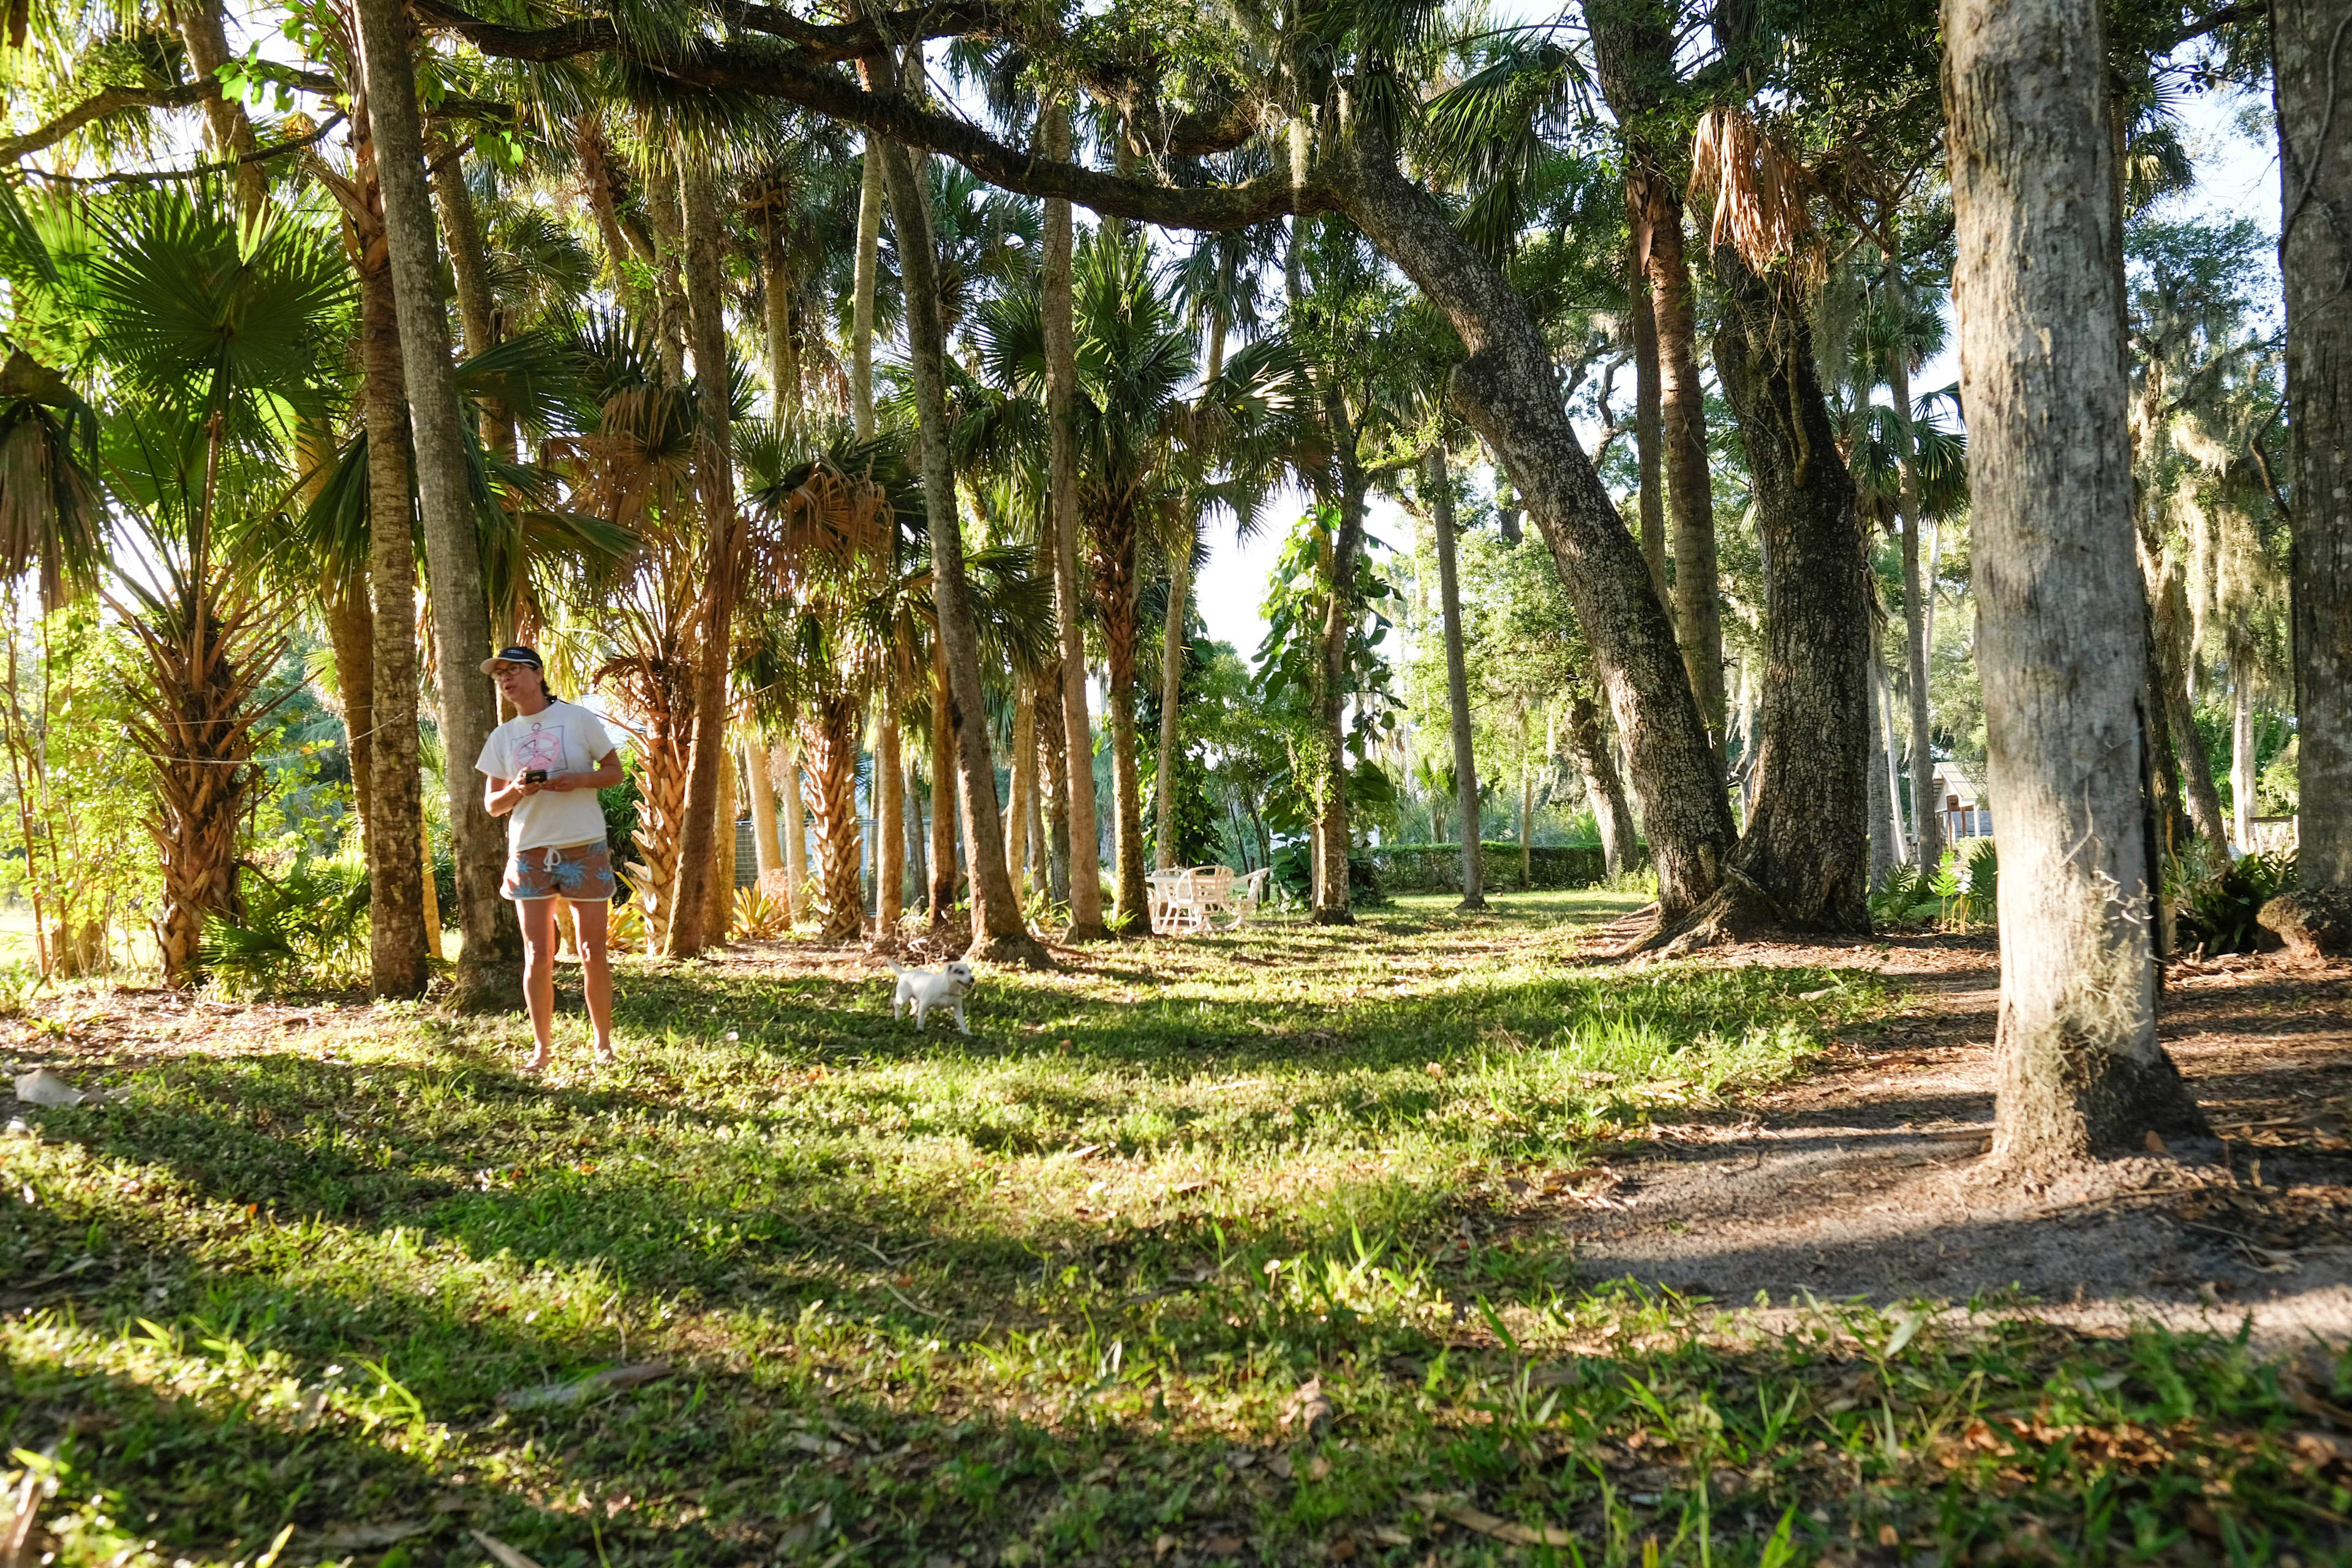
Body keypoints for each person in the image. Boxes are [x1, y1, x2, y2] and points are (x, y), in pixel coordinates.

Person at [477, 646, 625, 1072]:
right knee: (538, 954)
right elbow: (493, 806)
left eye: (514, 670)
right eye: (499, 674)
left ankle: (603, 1045)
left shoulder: (578, 719)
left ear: (538, 674)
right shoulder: (501, 737)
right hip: (530, 850)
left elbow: (614, 772)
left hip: (584, 844)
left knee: (593, 950)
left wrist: (576, 780)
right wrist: (519, 790)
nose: (506, 680)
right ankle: (542, 1050)